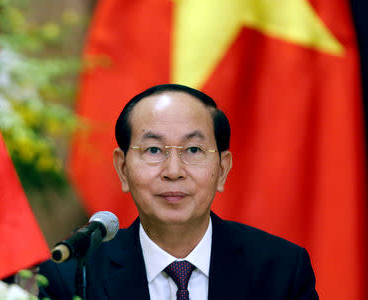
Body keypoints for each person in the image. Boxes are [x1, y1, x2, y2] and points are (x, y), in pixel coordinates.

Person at [39, 84, 318, 299]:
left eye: (194, 150)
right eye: (153, 150)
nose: (173, 170)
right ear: (122, 169)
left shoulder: (281, 270)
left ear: (222, 169)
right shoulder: (74, 274)